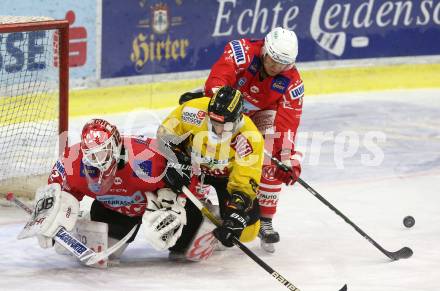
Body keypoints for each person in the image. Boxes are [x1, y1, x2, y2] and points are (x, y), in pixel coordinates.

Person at [180, 27, 303, 251]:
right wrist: (227, 114)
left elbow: (288, 124)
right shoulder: (241, 51)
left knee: (270, 158)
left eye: (282, 65)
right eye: (273, 60)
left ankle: (265, 220)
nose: (276, 68)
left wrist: (285, 157)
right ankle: (198, 201)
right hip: (227, 106)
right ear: (265, 50)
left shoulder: (293, 82)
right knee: (204, 145)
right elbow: (218, 81)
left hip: (260, 115)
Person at [27, 118, 188, 265]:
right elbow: (55, 194)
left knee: (186, 250)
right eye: (91, 155)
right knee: (107, 257)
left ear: (116, 147)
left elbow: (190, 174)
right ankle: (81, 225)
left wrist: (177, 202)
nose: (98, 161)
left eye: (103, 152)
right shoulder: (71, 161)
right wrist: (47, 217)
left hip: (154, 206)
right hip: (116, 211)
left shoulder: (148, 157)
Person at [157, 86, 264, 257]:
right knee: (179, 246)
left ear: (238, 119)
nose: (217, 129)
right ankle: (192, 218)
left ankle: (219, 218)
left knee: (246, 232)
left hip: (226, 177)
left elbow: (244, 183)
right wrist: (175, 159)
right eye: (214, 123)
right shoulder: (192, 111)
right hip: (191, 170)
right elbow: (164, 133)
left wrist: (234, 216)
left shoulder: (250, 138)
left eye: (224, 125)